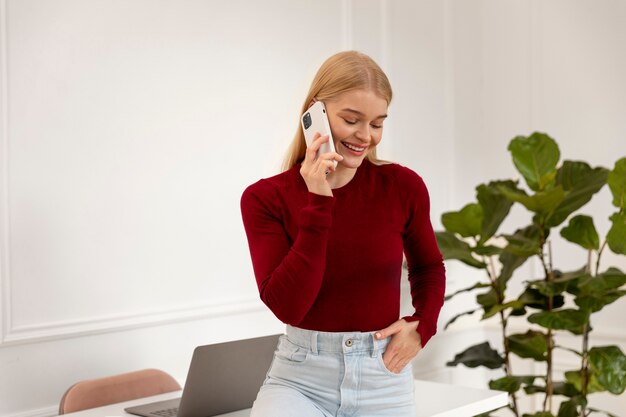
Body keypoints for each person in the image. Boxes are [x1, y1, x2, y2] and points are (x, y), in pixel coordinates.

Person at [240, 51, 446, 417]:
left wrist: (422, 324)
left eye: (378, 123)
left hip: (383, 375)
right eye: (352, 120)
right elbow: (288, 306)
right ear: (314, 115)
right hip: (300, 380)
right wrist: (319, 200)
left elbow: (428, 266)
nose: (366, 136)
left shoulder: (403, 186)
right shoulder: (264, 199)